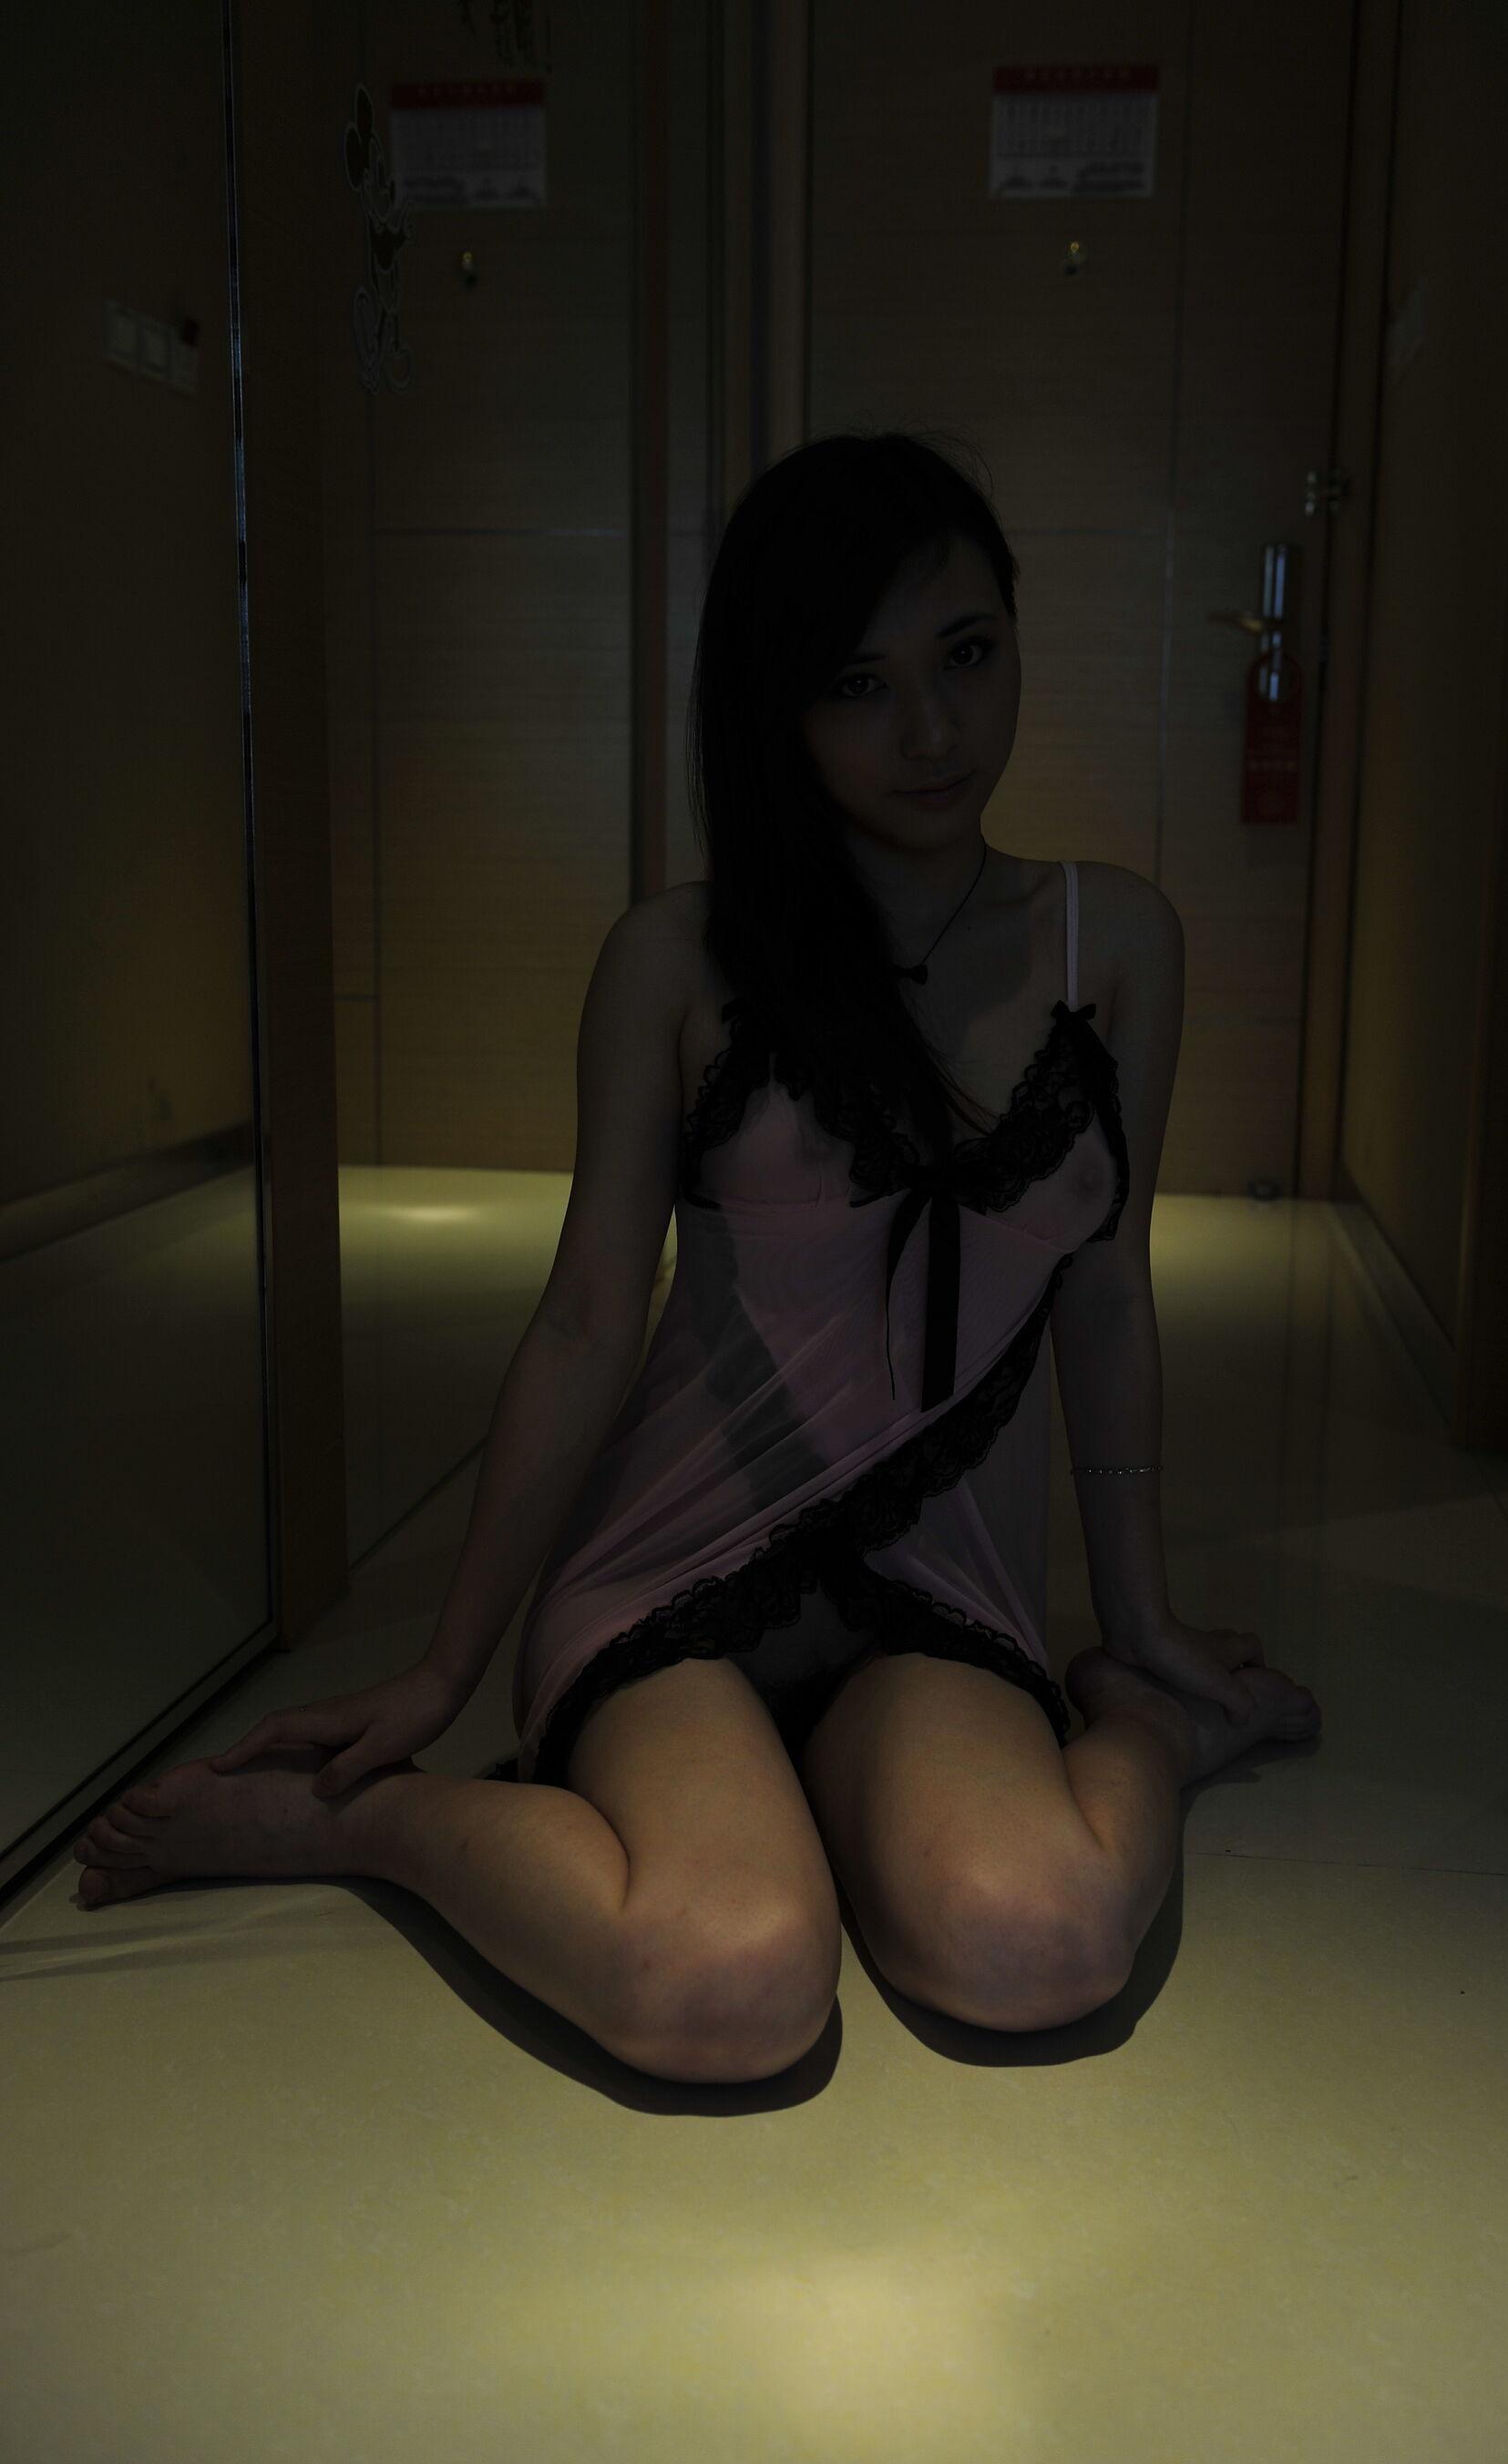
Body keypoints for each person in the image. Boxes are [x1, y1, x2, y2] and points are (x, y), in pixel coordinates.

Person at [71, 431, 1321, 2081]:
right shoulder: (674, 957)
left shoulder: (1119, 942)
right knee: (727, 1986)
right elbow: (588, 1318)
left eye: (965, 655)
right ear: (775, 707)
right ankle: (369, 1825)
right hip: (674, 1570)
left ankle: (1150, 1726)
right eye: (859, 684)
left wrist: (1142, 1616)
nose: (931, 729)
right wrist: (446, 1665)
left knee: (1045, 1944)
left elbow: (1106, 1290)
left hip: (939, 1581)